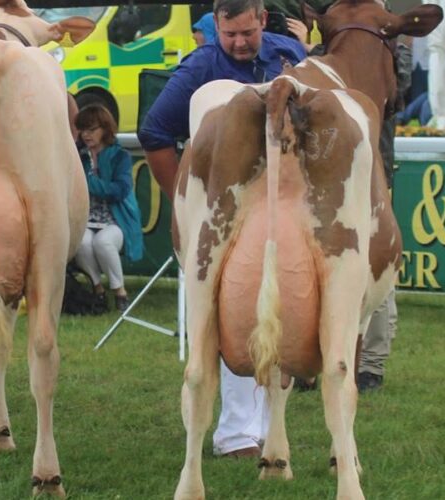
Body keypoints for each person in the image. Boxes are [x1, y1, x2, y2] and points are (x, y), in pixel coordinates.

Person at [138, 0, 305, 458]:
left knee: (281, 304)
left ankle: (268, 425)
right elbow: (154, 132)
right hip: (226, 213)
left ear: (263, 20)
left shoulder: (290, 53)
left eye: (247, 33)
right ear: (216, 25)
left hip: (283, 205)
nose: (238, 43)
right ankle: (234, 432)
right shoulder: (201, 66)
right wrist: (186, 202)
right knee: (235, 308)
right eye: (229, 34)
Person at [74, 104, 143, 312]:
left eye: (92, 129)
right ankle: (98, 289)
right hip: (85, 219)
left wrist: (89, 183)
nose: (86, 135)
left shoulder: (120, 156)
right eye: (82, 130)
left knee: (103, 242)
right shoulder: (78, 155)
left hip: (116, 220)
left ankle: (120, 292)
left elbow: (119, 191)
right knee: (81, 243)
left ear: (105, 129)